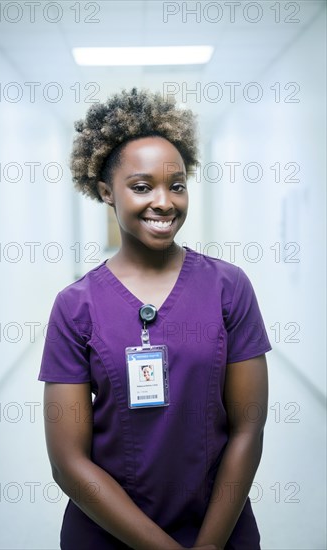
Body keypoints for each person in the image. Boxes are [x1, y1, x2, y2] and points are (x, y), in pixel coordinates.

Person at [38, 88, 272, 550]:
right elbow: (68, 461)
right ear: (107, 191)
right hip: (107, 532)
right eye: (142, 186)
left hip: (219, 524)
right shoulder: (75, 306)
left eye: (177, 185)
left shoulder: (229, 287)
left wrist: (208, 545)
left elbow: (248, 426)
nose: (164, 202)